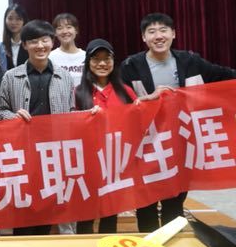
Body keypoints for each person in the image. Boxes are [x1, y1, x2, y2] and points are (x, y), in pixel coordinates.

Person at [121, 12, 236, 232]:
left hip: (180, 143)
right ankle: (149, 245)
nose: (158, 36)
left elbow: (224, 75)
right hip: (146, 145)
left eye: (163, 30)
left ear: (173, 34)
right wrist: (147, 99)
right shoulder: (130, 66)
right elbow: (121, 102)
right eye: (152, 31)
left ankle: (173, 244)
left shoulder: (190, 61)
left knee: (174, 202)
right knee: (145, 202)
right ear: (144, 37)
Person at [0, 19, 75, 236]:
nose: (40, 46)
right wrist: (13, 116)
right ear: (24, 45)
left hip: (54, 153)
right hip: (23, 152)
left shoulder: (64, 76)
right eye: (33, 41)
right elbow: (0, 110)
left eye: (45, 40)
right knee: (25, 206)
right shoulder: (11, 76)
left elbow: (71, 112)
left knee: (52, 205)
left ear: (52, 42)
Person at [74, 39, 136, 235]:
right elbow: (69, 127)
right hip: (88, 163)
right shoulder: (78, 93)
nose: (102, 63)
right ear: (88, 62)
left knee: (110, 213)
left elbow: (139, 121)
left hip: (115, 163)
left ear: (113, 61)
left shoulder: (125, 91)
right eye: (96, 59)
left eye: (107, 58)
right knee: (86, 213)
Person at [50, 13, 85, 87]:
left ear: (76, 30)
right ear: (55, 33)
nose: (65, 31)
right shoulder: (50, 57)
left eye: (69, 27)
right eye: (60, 28)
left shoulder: (86, 56)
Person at [2, 3, 29, 70]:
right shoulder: (1, 46)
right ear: (5, 20)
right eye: (10, 18)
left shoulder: (29, 44)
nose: (13, 22)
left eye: (18, 19)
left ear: (24, 21)